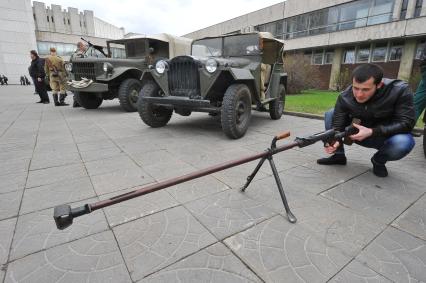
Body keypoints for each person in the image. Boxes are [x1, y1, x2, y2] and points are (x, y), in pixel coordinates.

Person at [317, 64, 415, 177]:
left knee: (403, 142)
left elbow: (407, 123)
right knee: (331, 113)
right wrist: (334, 140)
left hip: (384, 137)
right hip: (355, 134)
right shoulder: (345, 96)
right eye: (356, 88)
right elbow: (337, 125)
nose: (359, 94)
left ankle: (378, 161)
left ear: (379, 85)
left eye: (365, 89)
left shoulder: (400, 90)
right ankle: (338, 156)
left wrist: (372, 131)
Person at [70, 42, 87, 107]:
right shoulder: (80, 54)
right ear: (81, 47)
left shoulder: (73, 54)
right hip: (80, 73)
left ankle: (76, 102)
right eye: (84, 46)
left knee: (77, 86)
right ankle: (76, 102)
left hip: (75, 73)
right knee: (79, 87)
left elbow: (70, 63)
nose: (85, 47)